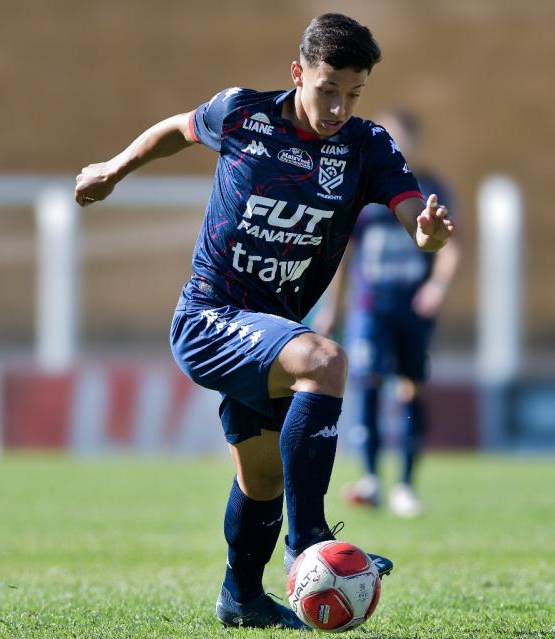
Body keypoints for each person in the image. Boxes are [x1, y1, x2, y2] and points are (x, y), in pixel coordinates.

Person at [74, 13, 454, 630]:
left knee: (265, 478)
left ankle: (242, 597)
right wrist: (113, 170)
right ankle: (309, 542)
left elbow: (416, 217)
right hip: (210, 316)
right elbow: (177, 128)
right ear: (298, 72)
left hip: (271, 331)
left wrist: (428, 235)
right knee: (326, 360)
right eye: (328, 88)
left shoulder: (365, 146)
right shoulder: (242, 113)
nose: (338, 106)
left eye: (353, 94)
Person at [313, 109, 460, 519]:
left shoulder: (430, 187)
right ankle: (371, 479)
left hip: (412, 307)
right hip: (370, 305)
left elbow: (452, 244)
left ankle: (407, 486)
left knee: (411, 386)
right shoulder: (362, 186)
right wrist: (331, 308)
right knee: (369, 380)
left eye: (400, 138)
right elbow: (342, 252)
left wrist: (436, 286)